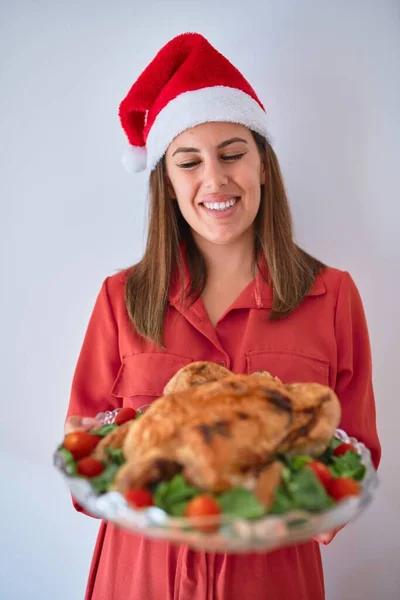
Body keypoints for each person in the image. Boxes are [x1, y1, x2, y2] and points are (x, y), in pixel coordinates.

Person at [65, 32, 381, 600]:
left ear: (264, 165)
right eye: (189, 162)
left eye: (233, 153)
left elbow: (355, 453)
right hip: (138, 579)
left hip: (272, 580)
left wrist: (303, 503)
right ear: (168, 184)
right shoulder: (119, 297)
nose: (215, 179)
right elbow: (84, 441)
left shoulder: (334, 297)